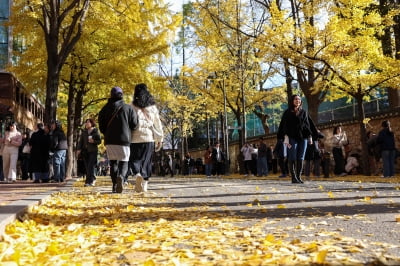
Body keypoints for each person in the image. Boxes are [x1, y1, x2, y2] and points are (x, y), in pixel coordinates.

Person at [99, 86, 138, 193]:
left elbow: (101, 124)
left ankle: (114, 184)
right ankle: (121, 176)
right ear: (122, 95)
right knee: (124, 161)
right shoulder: (128, 108)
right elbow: (134, 124)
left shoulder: (105, 108)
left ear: (111, 95)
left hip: (110, 139)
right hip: (124, 139)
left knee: (113, 163)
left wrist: (106, 132)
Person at [277, 95, 318, 184]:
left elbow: (308, 125)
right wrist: (285, 137)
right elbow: (283, 125)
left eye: (299, 99)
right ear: (292, 101)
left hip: (303, 138)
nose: (297, 101)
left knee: (301, 157)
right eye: (296, 99)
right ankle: (293, 177)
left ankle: (299, 177)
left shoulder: (304, 112)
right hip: (291, 138)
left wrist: (310, 136)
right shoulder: (287, 112)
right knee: (292, 156)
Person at [130, 83, 163, 192]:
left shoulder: (131, 106)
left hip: (134, 138)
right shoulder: (152, 107)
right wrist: (160, 139)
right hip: (149, 138)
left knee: (135, 160)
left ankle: (137, 174)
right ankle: (144, 185)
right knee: (147, 162)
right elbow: (157, 124)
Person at [77, 118, 102, 186]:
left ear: (92, 123)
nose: (87, 124)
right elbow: (80, 142)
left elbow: (99, 141)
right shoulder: (84, 132)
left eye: (88, 122)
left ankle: (90, 181)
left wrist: (94, 141)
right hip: (85, 151)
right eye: (86, 122)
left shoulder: (96, 131)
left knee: (91, 166)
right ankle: (90, 180)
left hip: (93, 151)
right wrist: (79, 149)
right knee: (87, 166)